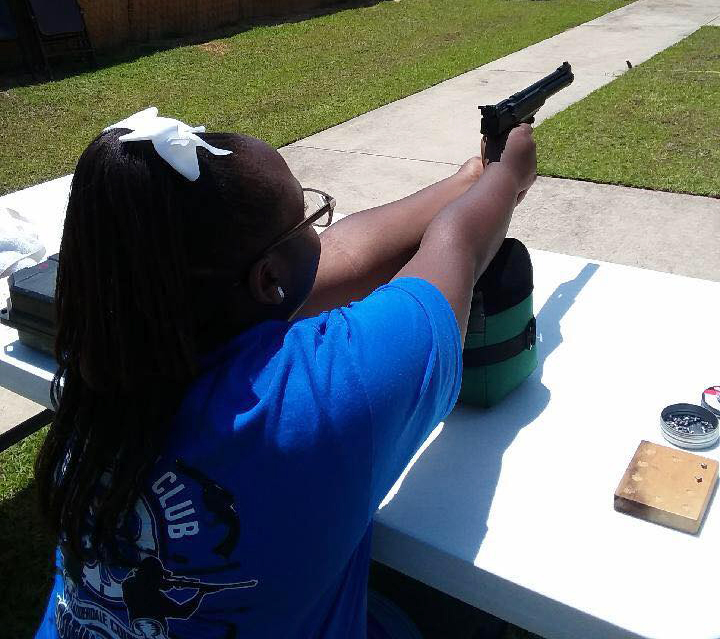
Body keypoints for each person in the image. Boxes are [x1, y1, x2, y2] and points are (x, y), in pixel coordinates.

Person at [33, 106, 536, 639]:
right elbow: (457, 245)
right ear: (269, 279)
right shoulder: (317, 396)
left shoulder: (107, 361)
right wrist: (507, 177)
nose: (323, 231)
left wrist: (469, 178)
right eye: (308, 218)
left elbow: (344, 250)